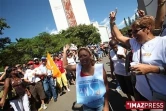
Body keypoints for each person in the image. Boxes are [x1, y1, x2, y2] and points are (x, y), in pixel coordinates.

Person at [109, 8, 166, 103]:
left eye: (136, 31)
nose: (133, 34)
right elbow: (119, 37)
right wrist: (112, 22)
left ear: (147, 28)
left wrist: (153, 69)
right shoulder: (135, 43)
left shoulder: (163, 42)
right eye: (132, 31)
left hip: (159, 97)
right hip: (140, 92)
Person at [63, 44, 109, 111]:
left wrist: (106, 105)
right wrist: (64, 52)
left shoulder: (99, 68)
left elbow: (106, 87)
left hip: (100, 104)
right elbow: (65, 65)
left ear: (90, 56)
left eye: (85, 55)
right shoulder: (78, 67)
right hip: (87, 106)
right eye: (80, 56)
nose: (83, 58)